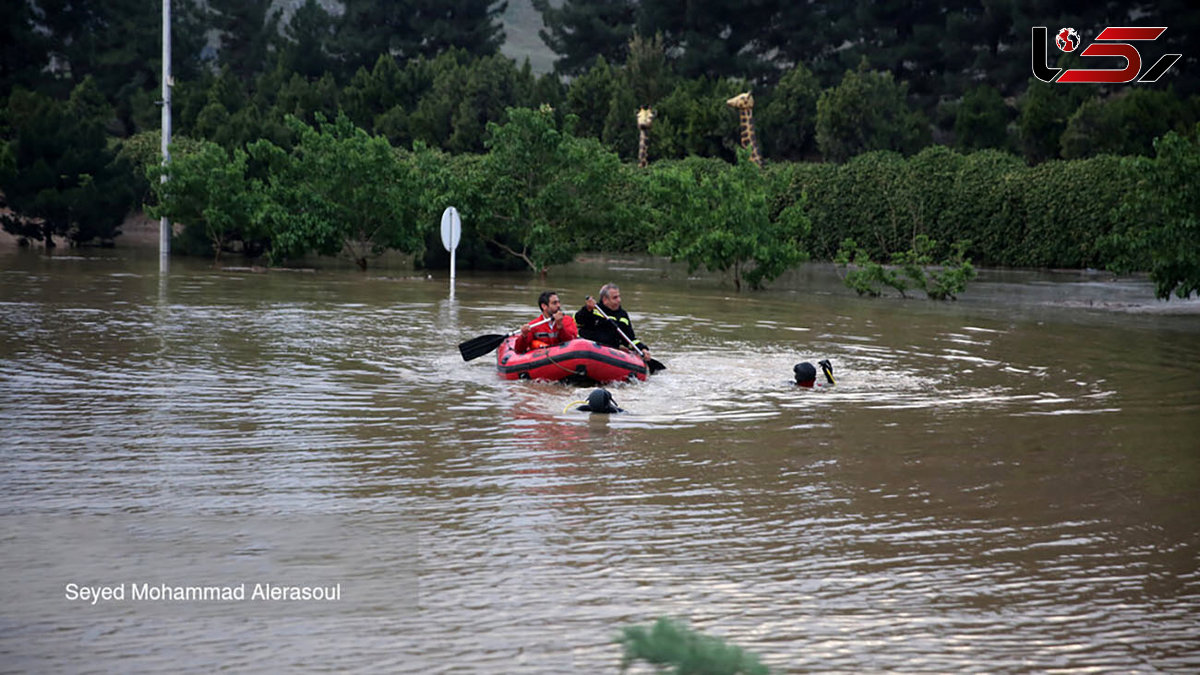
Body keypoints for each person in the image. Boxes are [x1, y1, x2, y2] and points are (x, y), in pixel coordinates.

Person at [575, 283, 651, 362]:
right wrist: (587, 309)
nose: (619, 300)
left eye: (619, 296)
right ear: (605, 299)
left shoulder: (623, 315)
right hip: (590, 350)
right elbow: (578, 321)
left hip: (610, 354)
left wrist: (642, 348)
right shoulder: (592, 311)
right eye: (615, 298)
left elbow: (629, 339)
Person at [514, 290, 578, 353]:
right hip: (543, 358)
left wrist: (560, 327)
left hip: (564, 356)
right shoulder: (534, 325)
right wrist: (524, 336)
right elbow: (519, 350)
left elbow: (572, 344)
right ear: (544, 306)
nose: (558, 305)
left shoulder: (568, 320)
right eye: (554, 303)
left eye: (559, 302)